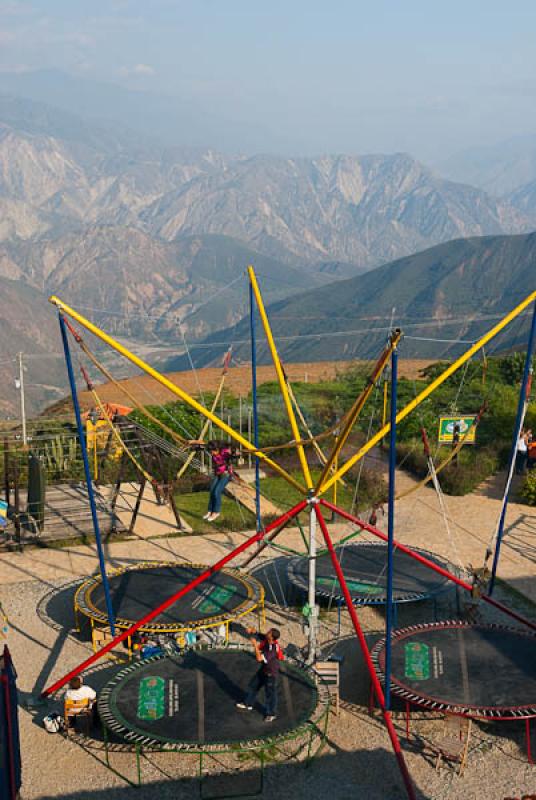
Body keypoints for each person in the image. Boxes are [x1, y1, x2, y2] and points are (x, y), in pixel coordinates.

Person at [236, 627, 284, 722]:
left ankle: (271, 714)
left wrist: (255, 645)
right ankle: (248, 703)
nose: (267, 632)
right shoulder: (268, 640)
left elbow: (259, 658)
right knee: (253, 686)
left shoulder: (273, 649)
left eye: (269, 632)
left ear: (272, 637)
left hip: (270, 674)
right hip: (264, 670)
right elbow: (261, 636)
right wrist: (253, 632)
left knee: (270, 694)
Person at [190, 439, 235, 521]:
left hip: (226, 474)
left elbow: (231, 454)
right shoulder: (212, 449)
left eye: (212, 452)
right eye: (210, 451)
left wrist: (234, 454)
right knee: (212, 491)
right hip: (218, 474)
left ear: (217, 449)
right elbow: (203, 446)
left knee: (216, 492)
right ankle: (210, 511)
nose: (211, 453)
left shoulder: (224, 452)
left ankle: (216, 512)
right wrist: (193, 444)